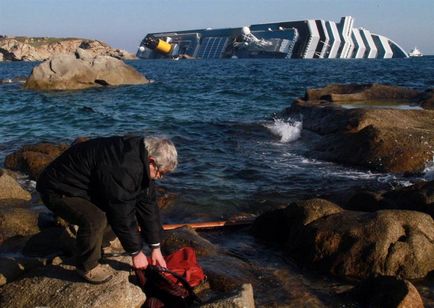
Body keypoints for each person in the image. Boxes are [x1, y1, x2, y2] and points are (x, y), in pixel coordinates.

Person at [36, 135, 178, 284]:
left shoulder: (140, 160)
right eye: (161, 173)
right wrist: (136, 252)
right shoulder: (124, 167)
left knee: (120, 210)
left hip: (83, 187)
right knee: (95, 219)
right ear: (151, 161)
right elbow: (121, 212)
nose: (160, 177)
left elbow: (148, 205)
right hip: (57, 189)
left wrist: (156, 247)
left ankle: (94, 245)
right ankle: (87, 267)